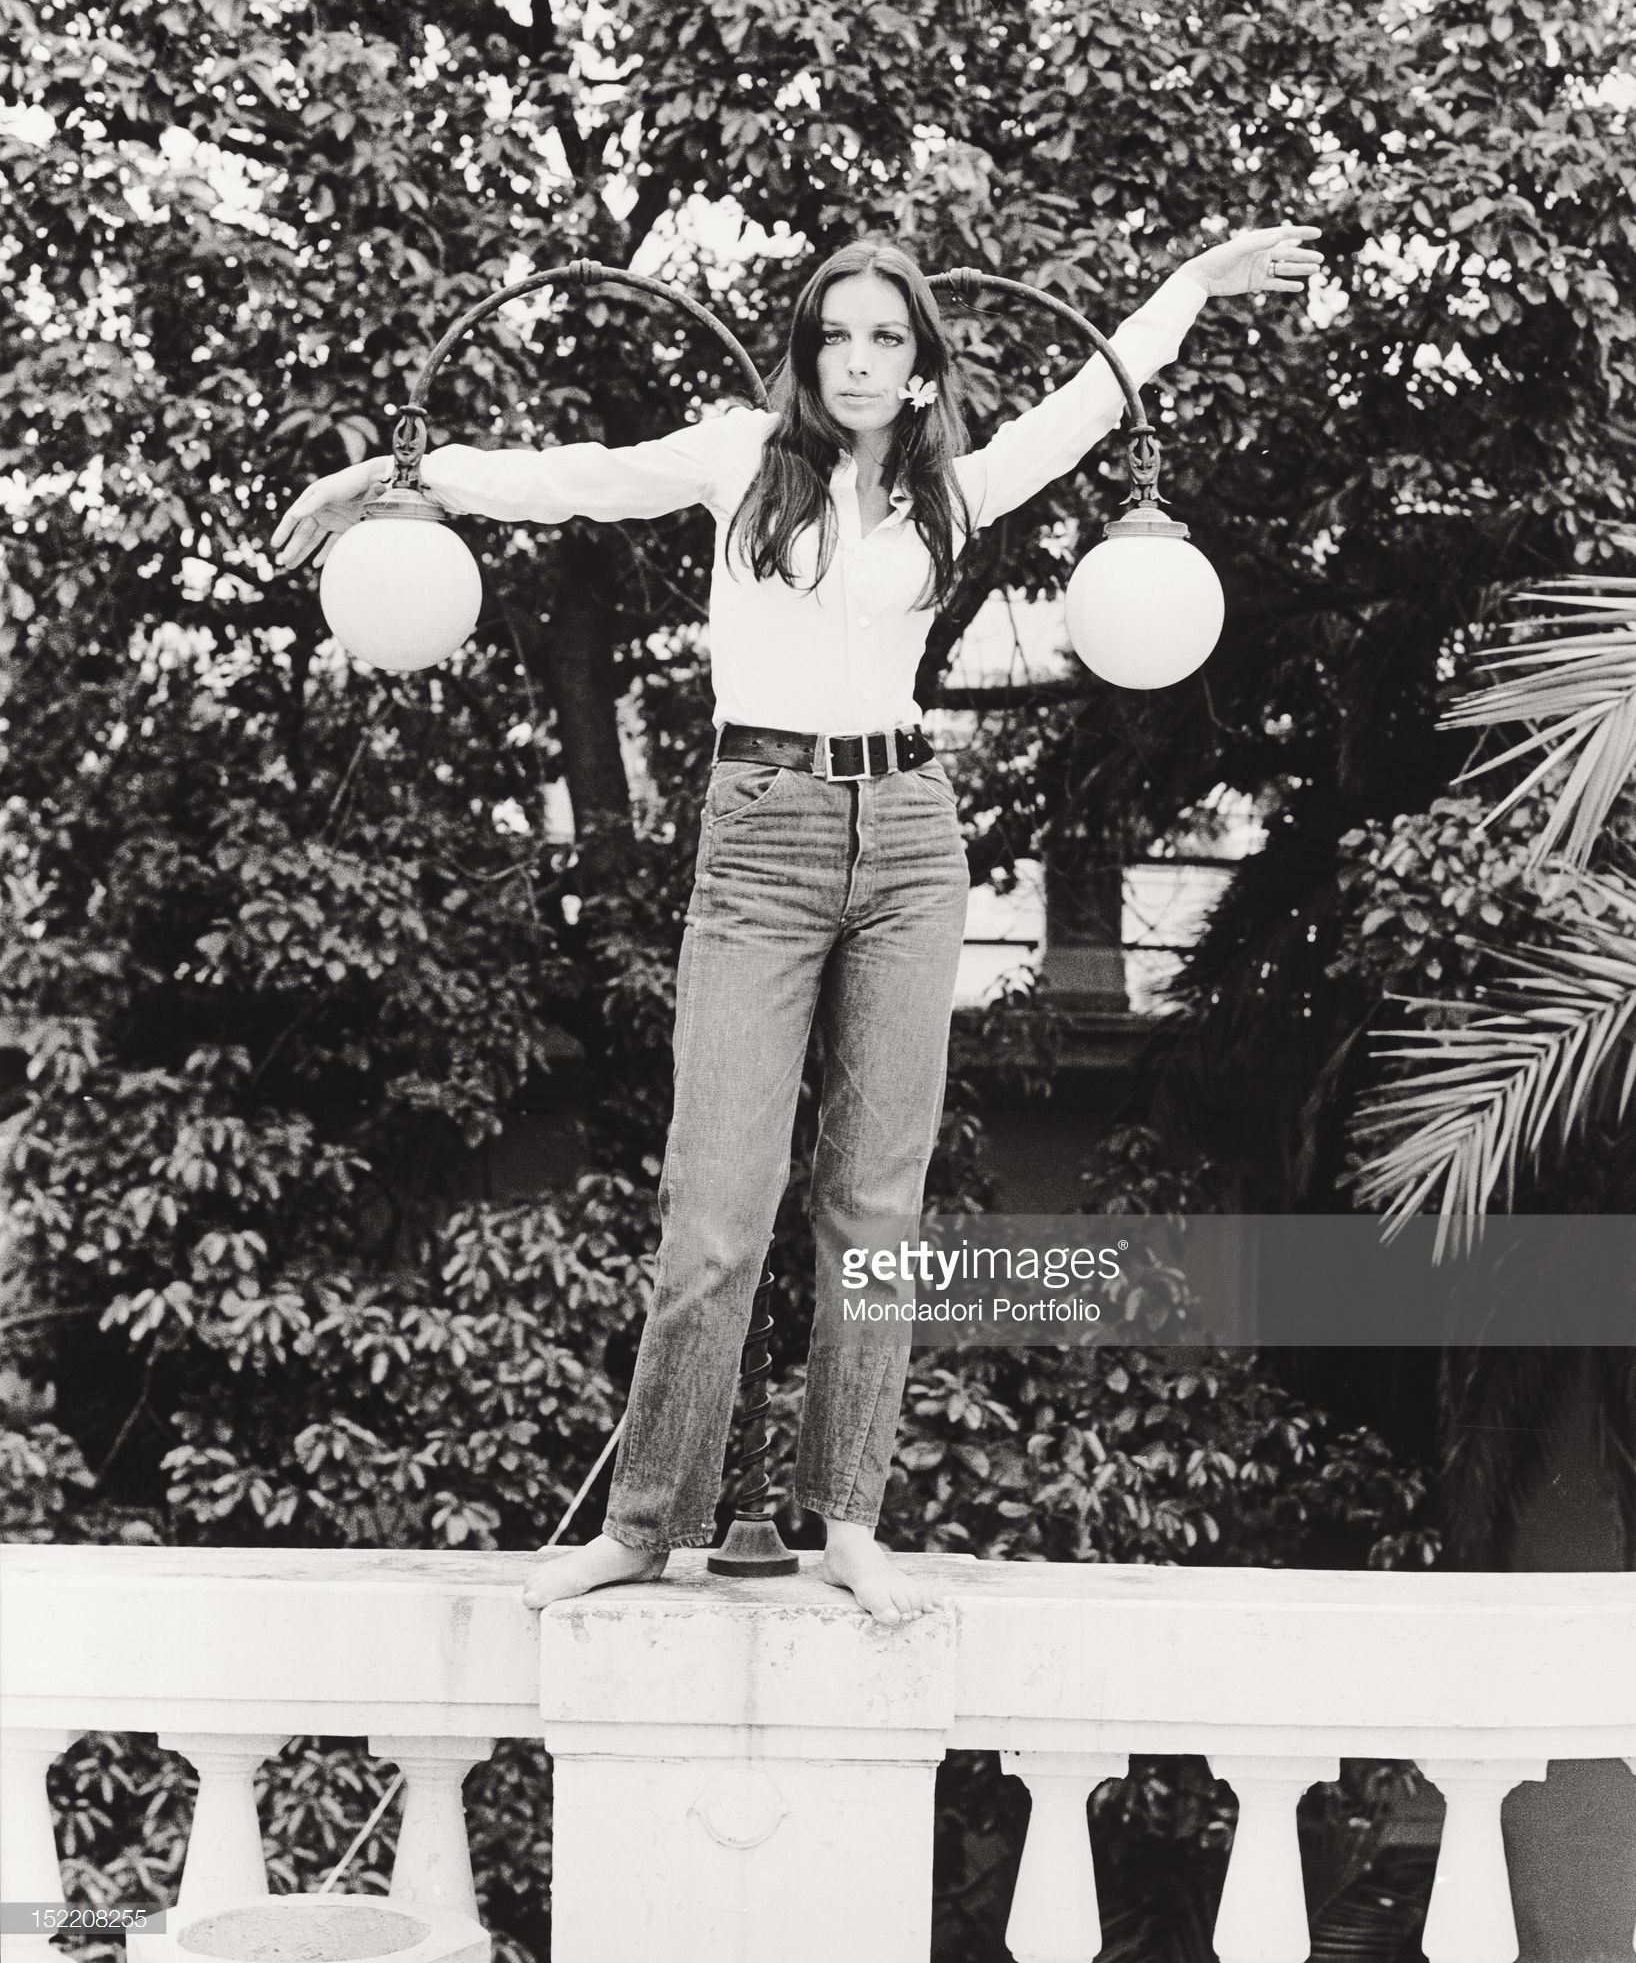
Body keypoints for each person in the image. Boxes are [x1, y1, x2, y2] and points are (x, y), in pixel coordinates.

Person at [272, 222, 1322, 1623]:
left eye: (887, 337)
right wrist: (392, 479)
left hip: (910, 839)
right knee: (717, 1209)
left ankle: (849, 1523)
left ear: (921, 361)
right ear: (807, 351)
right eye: (838, 336)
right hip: (762, 835)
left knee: (875, 1207)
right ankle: (643, 1524)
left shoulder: (954, 489)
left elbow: (1090, 403)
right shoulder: (740, 457)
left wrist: (1191, 285)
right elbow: (574, 480)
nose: (860, 361)